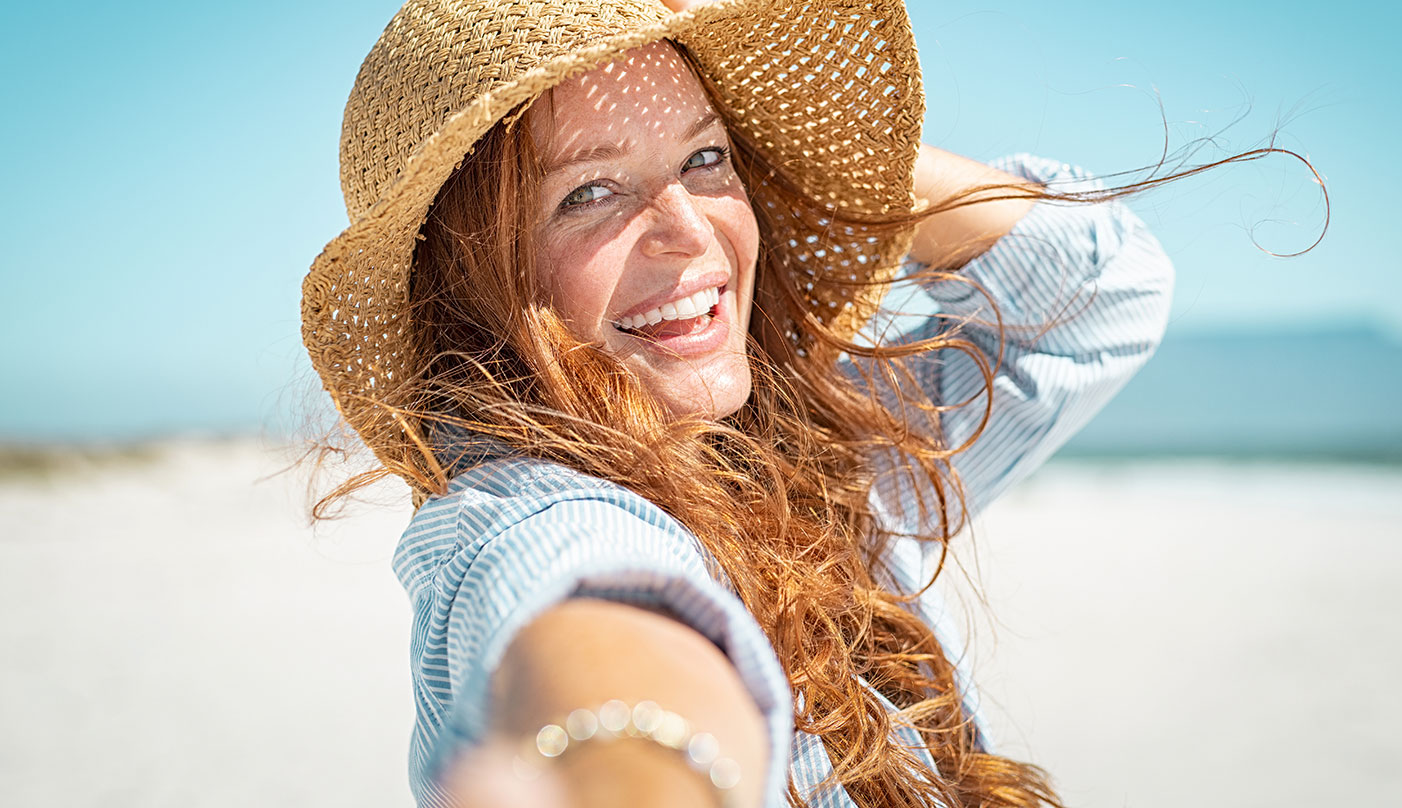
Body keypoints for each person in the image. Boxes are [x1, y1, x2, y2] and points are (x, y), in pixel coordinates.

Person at [300, 0, 1190, 806]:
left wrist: (821, 153)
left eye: (706, 157)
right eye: (589, 192)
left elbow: (1105, 292)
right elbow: (597, 612)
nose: (690, 229)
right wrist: (632, 768)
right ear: (472, 276)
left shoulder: (824, 460)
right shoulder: (522, 509)